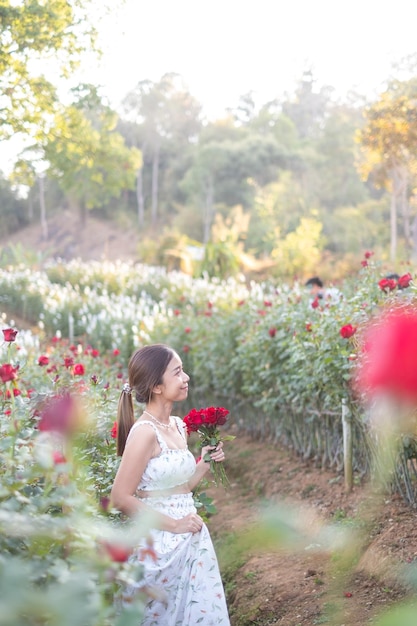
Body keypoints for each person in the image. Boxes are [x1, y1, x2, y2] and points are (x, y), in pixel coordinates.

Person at [110, 343, 230, 626]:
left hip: (190, 536)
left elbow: (181, 489)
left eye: (183, 370)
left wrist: (204, 463)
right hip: (158, 541)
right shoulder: (144, 433)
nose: (186, 377)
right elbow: (120, 497)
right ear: (157, 387)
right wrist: (174, 525)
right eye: (177, 372)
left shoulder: (178, 425)